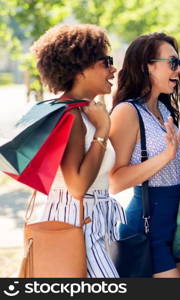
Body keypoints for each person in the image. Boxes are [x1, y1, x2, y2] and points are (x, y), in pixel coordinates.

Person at [31, 24, 125, 278]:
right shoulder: (71, 115)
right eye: (106, 62)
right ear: (80, 69)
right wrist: (103, 129)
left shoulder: (82, 111)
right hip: (75, 220)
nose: (113, 69)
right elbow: (76, 186)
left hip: (93, 220)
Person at [109, 33, 180, 278]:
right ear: (147, 66)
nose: (178, 69)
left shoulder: (164, 109)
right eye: (172, 63)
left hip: (173, 229)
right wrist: (165, 156)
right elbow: (115, 180)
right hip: (146, 230)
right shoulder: (127, 111)